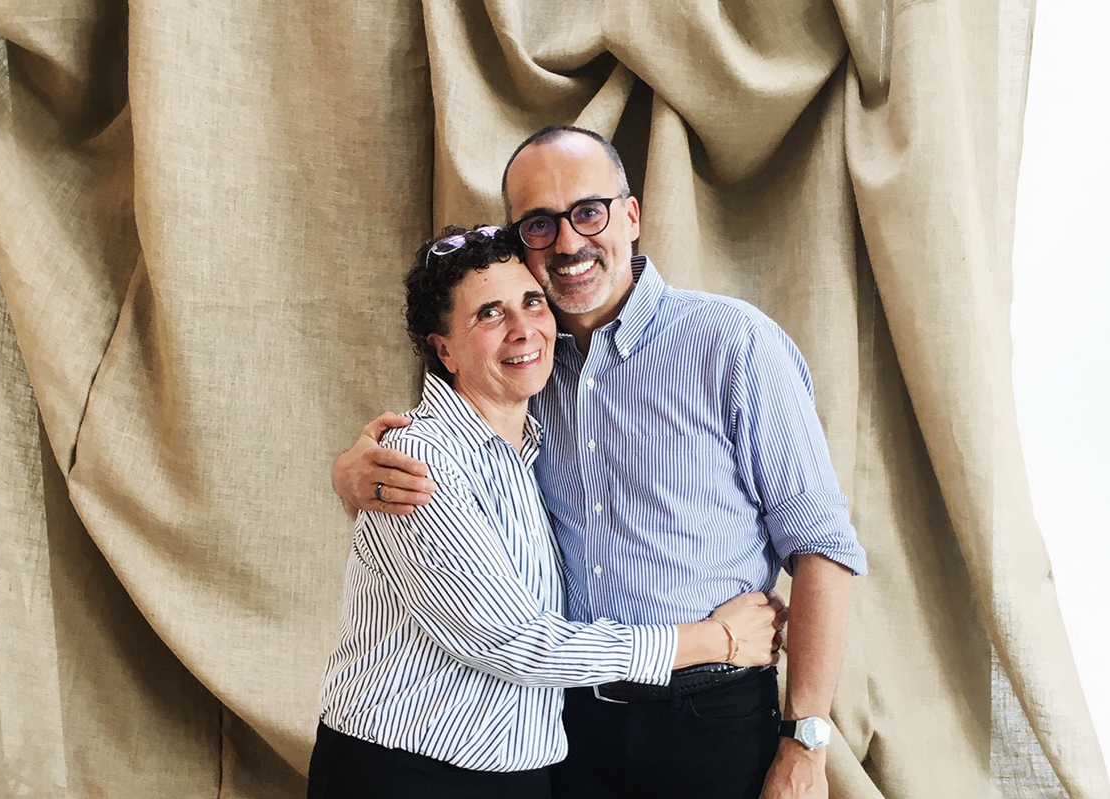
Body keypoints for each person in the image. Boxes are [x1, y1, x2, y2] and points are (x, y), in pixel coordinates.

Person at [333, 127, 869, 799]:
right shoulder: (527, 362)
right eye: (538, 224)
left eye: (588, 211)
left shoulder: (735, 344)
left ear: (631, 215)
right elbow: (444, 469)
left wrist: (806, 742)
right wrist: (351, 474)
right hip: (565, 723)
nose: (566, 242)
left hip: (708, 716)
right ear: (519, 239)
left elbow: (821, 545)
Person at [310, 224, 786, 799]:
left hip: (524, 772)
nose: (522, 329)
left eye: (532, 301)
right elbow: (512, 641)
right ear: (444, 350)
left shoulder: (531, 448)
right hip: (410, 772)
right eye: (489, 314)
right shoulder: (416, 460)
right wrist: (716, 640)